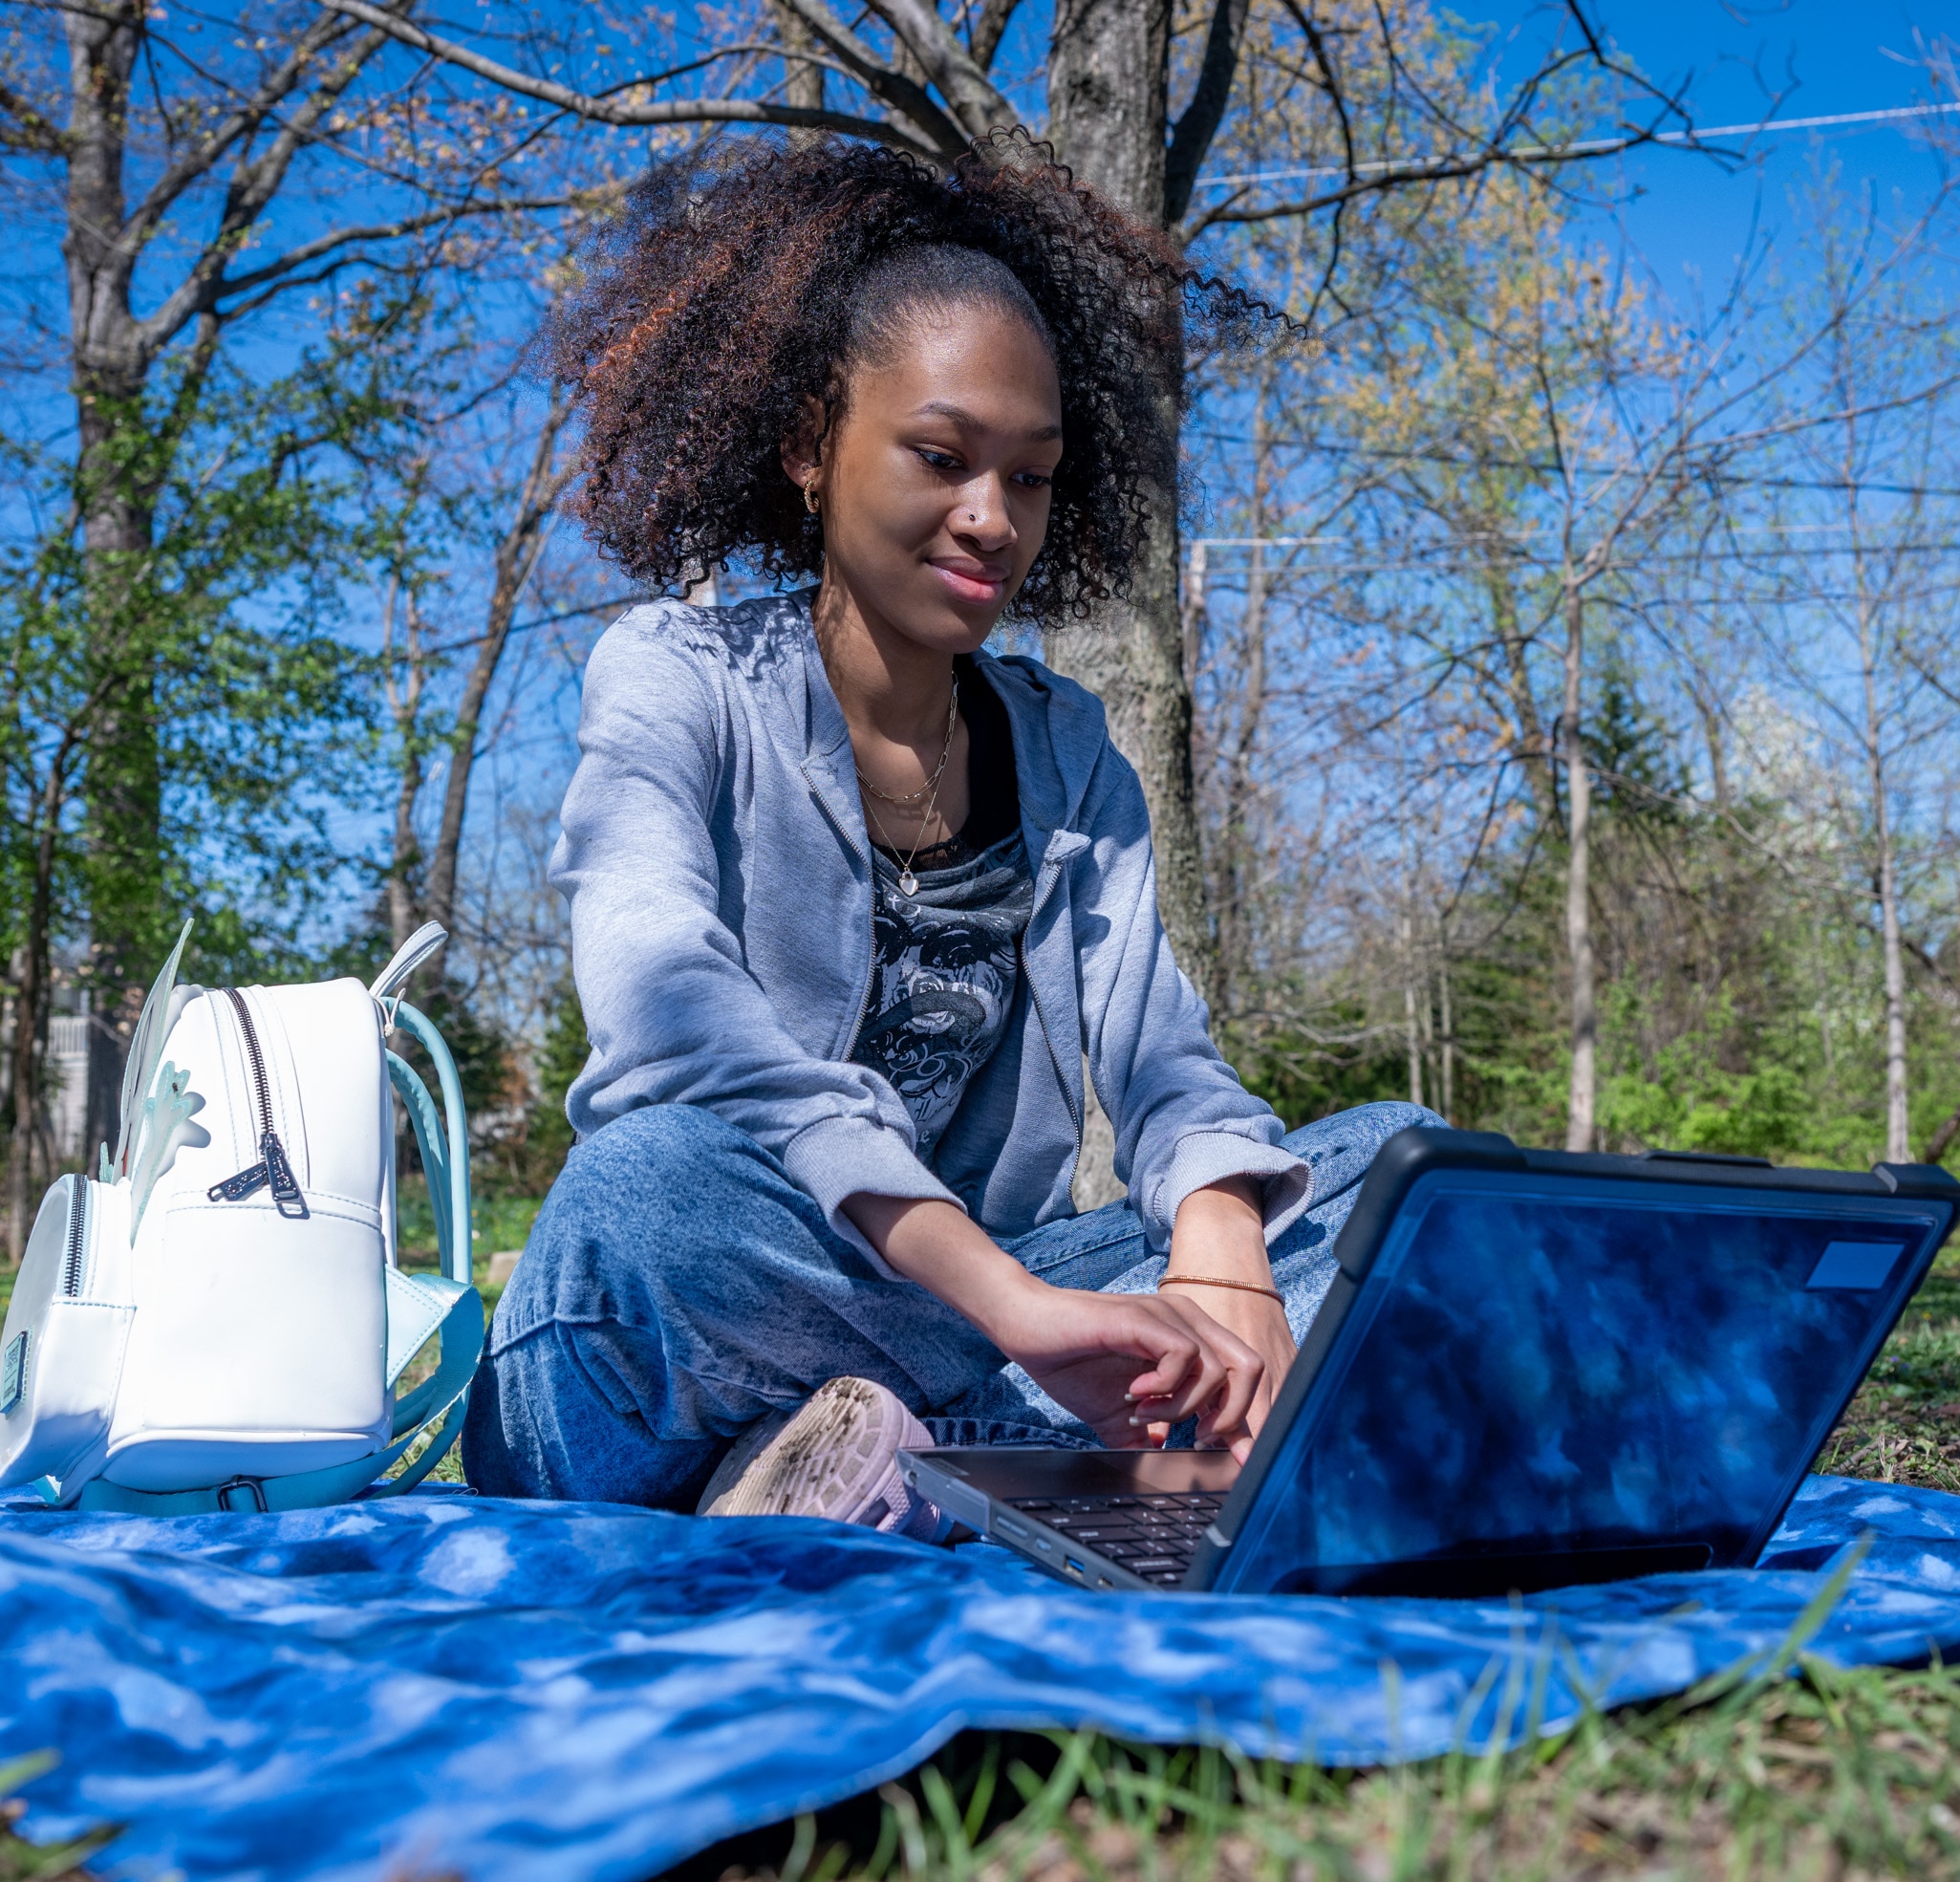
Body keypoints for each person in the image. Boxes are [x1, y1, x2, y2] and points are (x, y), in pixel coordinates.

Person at [463, 137, 1436, 1530]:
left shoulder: (1069, 750)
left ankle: (870, 1468)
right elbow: (674, 1027)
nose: (992, 519)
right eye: (941, 456)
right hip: (698, 1319)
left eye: (1030, 477)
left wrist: (1224, 1238)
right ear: (811, 443)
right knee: (647, 1187)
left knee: (1395, 1169)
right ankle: (1002, 1447)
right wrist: (1018, 1302)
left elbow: (1165, 1062)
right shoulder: (674, 675)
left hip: (978, 1317)